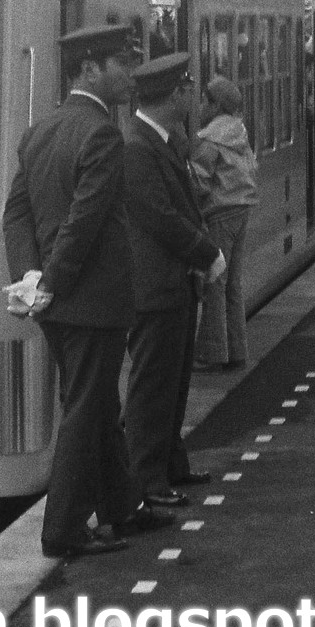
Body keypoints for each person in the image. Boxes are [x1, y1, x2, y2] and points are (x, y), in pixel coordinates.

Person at [2, 24, 168, 558]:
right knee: (84, 411)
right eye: (122, 61)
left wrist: (31, 279)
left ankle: (123, 507)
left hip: (57, 303)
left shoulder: (40, 132)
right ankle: (63, 530)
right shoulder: (101, 134)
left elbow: (18, 215)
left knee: (94, 404)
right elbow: (86, 220)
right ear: (91, 67)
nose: (131, 73)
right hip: (92, 300)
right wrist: (50, 281)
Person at [121, 53, 225, 508]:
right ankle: (147, 480)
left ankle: (171, 465)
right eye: (188, 89)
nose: (193, 97)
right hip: (153, 286)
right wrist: (208, 252)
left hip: (173, 282)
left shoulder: (159, 140)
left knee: (176, 378)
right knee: (153, 386)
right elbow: (159, 217)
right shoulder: (137, 147)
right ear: (176, 94)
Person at [189, 76, 257, 371]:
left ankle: (213, 352)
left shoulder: (209, 139)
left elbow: (199, 181)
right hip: (242, 209)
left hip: (219, 212)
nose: (201, 106)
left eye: (205, 101)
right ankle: (237, 349)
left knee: (215, 281)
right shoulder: (239, 133)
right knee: (234, 283)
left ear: (215, 104)